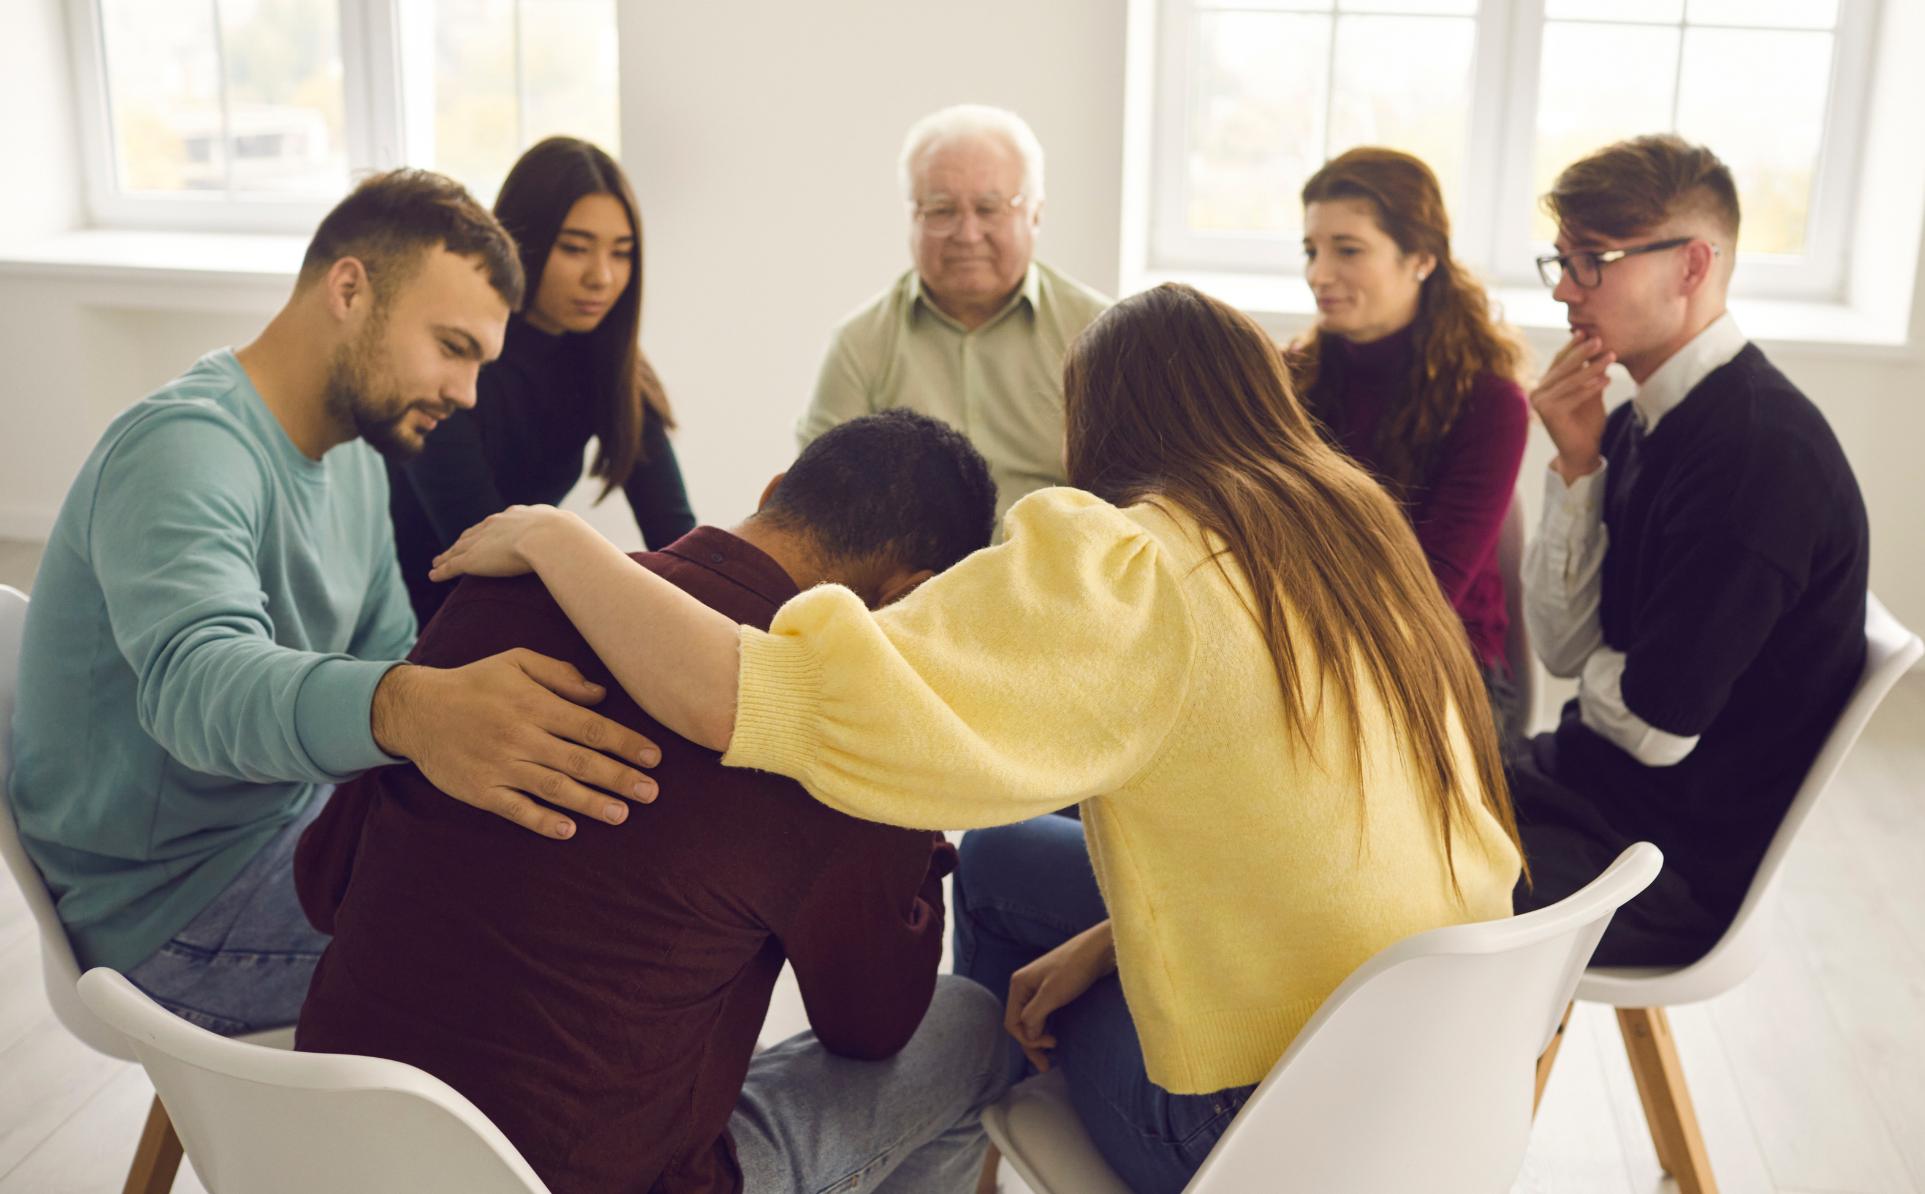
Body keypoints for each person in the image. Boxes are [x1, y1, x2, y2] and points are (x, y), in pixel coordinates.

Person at [431, 282, 1525, 1193]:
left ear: (1098, 424)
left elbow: (754, 697)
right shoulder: (1348, 529)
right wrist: (1115, 941)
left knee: (972, 1034)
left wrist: (557, 539)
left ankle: (958, 1137)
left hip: (1256, 1125)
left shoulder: (1135, 568)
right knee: (1005, 860)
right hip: (1426, 1066)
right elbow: (1306, 816)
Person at [6, 170, 664, 1037]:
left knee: (592, 880)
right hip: (168, 913)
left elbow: (392, 646)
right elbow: (200, 686)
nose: (467, 393)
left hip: (290, 825)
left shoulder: (356, 454)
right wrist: (413, 710)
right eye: (451, 347)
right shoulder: (183, 452)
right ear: (348, 288)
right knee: (561, 970)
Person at [297, 410, 1007, 1194]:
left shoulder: (498, 595)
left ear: (773, 491)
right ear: (914, 595)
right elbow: (871, 1029)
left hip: (324, 1146)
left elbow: (323, 884)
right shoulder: (841, 737)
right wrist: (920, 801)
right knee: (968, 1027)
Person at [1515, 134, 1869, 965]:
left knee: (1362, 882)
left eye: (1592, 261)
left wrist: (1606, 674)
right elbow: (1563, 649)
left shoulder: (1756, 453)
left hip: (1657, 867)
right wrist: (1575, 466)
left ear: (1691, 266)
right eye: (1560, 261)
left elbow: (1653, 725)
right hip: (1589, 794)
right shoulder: (1641, 420)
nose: (1565, 290)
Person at [389, 136, 694, 624]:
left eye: (622, 252)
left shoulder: (608, 361)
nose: (603, 277)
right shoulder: (454, 363)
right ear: (521, 241)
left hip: (522, 607)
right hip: (425, 619)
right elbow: (479, 549)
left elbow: (677, 537)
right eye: (575, 248)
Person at [1291, 148, 1530, 733]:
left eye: (1348, 250)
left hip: (1447, 672)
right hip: (1309, 655)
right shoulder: (1290, 379)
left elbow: (1427, 593)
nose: (1320, 275)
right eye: (1311, 250)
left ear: (1421, 257)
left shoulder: (1489, 402)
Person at [798, 104, 1111, 524]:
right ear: (912, 216)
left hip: (1058, 579)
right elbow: (818, 508)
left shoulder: (1101, 336)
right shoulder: (860, 345)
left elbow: (1134, 500)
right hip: (909, 587)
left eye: (989, 209)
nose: (967, 234)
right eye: (942, 210)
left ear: (1035, 214)